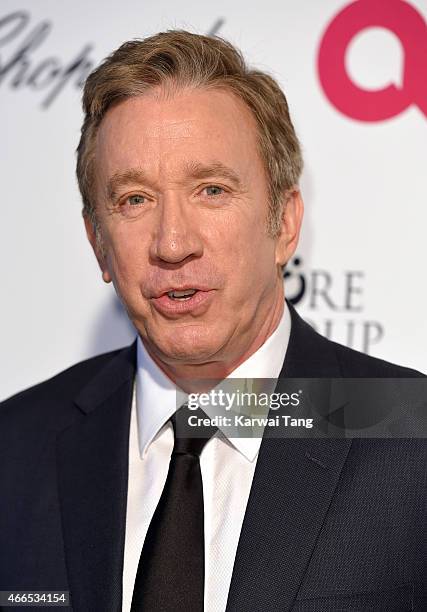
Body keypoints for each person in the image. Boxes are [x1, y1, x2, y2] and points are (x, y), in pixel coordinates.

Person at [0, 31, 425, 612]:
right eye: (133, 200)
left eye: (212, 189)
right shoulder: (16, 446)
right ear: (97, 242)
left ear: (285, 223)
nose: (173, 244)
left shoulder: (411, 439)